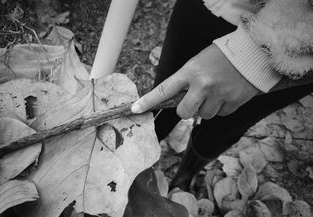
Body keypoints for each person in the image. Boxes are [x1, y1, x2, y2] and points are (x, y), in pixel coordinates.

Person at [131, 0, 313, 191]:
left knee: (224, 129)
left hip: (296, 50)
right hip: (210, 5)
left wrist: (257, 52)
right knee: (163, 101)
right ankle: (134, 162)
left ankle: (185, 175)